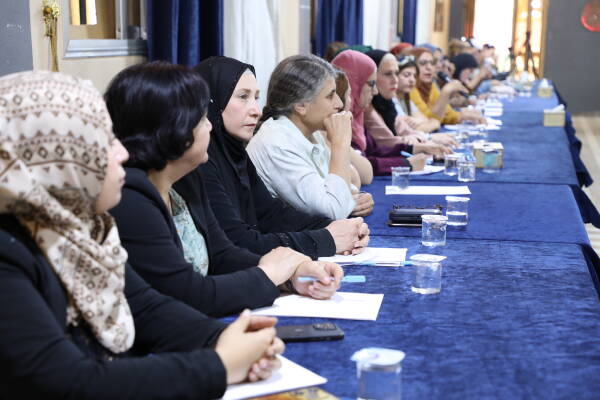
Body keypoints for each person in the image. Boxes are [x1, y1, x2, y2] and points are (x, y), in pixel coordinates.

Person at [0, 70, 285, 398]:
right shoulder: (7, 253)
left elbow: (146, 307)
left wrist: (223, 338)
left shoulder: (84, 226)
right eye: (104, 142)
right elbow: (67, 381)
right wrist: (220, 365)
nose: (121, 153)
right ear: (53, 160)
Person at [106, 61, 342, 318]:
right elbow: (190, 293)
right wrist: (269, 274)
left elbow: (222, 254)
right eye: (201, 118)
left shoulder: (188, 178)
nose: (210, 125)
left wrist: (291, 274)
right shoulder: (130, 198)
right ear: (170, 127)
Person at [178, 56, 370, 260]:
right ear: (211, 101)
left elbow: (270, 214)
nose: (256, 110)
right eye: (243, 97)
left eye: (256, 97)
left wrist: (337, 228)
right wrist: (326, 239)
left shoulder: (234, 152)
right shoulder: (201, 162)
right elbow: (238, 241)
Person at [247, 54, 362, 220]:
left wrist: (355, 199)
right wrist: (340, 144)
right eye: (330, 95)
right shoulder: (277, 143)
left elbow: (343, 189)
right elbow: (333, 210)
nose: (339, 104)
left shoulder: (311, 133)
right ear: (301, 105)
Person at [331, 49, 430, 175]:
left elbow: (374, 151)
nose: (375, 91)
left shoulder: (358, 114)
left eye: (397, 73)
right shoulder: (336, 120)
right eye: (372, 83)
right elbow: (362, 166)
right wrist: (405, 164)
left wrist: (413, 149)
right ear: (354, 83)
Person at [364, 49, 456, 151]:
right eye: (388, 74)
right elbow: (388, 142)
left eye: (396, 73)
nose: (395, 80)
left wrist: (423, 136)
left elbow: (407, 129)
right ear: (371, 77)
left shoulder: (388, 103)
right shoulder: (366, 107)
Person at [409, 47, 486, 125]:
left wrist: (462, 116)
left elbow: (447, 113)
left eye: (432, 63)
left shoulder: (431, 85)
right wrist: (446, 92)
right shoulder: (411, 88)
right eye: (423, 63)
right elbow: (430, 120)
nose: (429, 67)